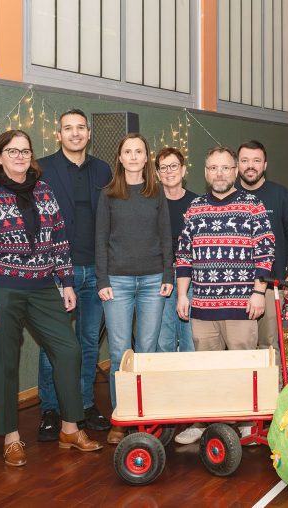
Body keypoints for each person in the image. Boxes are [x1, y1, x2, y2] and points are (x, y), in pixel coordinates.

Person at [0, 130, 102, 467]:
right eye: (12, 151)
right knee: (5, 362)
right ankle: (11, 437)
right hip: (2, 290)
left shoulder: (44, 191)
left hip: (44, 287)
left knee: (69, 350)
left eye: (25, 151)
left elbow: (59, 238)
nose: (20, 156)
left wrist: (67, 282)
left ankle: (70, 428)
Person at [173, 146, 275, 444]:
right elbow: (183, 256)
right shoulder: (194, 209)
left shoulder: (253, 205)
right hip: (203, 307)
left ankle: (246, 421)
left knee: (244, 367)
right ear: (206, 173)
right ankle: (207, 421)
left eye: (226, 168)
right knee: (207, 369)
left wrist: (259, 292)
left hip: (242, 305)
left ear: (235, 171)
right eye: (213, 168)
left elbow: (266, 251)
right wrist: (182, 295)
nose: (220, 173)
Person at [36, 109, 112, 441]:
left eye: (80, 128)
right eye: (68, 128)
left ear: (89, 132)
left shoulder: (103, 170)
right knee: (54, 344)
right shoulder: (43, 169)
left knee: (88, 343)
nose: (75, 133)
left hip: (96, 270)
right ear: (59, 134)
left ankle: (82, 404)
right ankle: (51, 408)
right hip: (56, 271)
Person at [95, 133, 174, 445]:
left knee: (148, 351)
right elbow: (100, 239)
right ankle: (122, 415)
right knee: (119, 353)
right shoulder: (109, 194)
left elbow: (166, 236)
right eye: (127, 151)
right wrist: (102, 280)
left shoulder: (156, 193)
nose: (132, 156)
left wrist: (168, 273)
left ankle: (148, 414)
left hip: (154, 280)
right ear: (120, 157)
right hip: (117, 283)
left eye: (138, 151)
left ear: (146, 157)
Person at [236, 140, 288, 354]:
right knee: (239, 347)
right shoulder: (228, 195)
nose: (250, 166)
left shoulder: (281, 195)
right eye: (245, 160)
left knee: (269, 346)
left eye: (256, 160)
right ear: (237, 164)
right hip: (235, 287)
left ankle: (273, 387)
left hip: (271, 285)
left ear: (265, 165)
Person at [155, 146, 198, 353]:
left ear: (183, 170)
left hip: (191, 276)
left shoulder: (196, 203)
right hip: (160, 276)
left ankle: (191, 384)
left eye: (173, 166)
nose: (169, 171)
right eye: (163, 168)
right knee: (164, 337)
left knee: (190, 336)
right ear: (157, 173)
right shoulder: (151, 202)